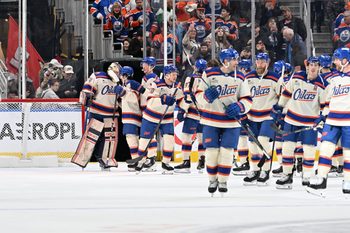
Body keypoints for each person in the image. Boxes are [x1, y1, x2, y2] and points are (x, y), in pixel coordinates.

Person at [195, 48, 252, 195]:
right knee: (211, 152)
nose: (237, 62)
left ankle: (223, 180)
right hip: (210, 120)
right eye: (234, 59)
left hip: (231, 122)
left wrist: (240, 106)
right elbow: (199, 97)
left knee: (227, 152)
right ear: (225, 61)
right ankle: (212, 179)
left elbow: (247, 99)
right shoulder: (209, 73)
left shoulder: (240, 77)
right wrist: (207, 96)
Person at [273, 57, 327, 189]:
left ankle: (307, 176)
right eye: (311, 64)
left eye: (316, 65)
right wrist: (279, 107)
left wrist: (322, 116)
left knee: (309, 149)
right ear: (307, 66)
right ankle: (287, 175)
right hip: (291, 119)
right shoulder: (296, 77)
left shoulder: (323, 84)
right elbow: (286, 93)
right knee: (287, 147)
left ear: (319, 67)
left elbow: (325, 105)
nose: (313, 67)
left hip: (309, 122)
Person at [307, 47, 350, 195]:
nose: (335, 62)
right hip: (332, 120)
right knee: (325, 149)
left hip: (348, 122)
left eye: (338, 59)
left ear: (346, 60)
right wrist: (323, 116)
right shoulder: (334, 79)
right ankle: (321, 178)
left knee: (348, 152)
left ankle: (348, 180)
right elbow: (328, 101)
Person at [133, 65, 184, 174]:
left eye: (176, 74)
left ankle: (165, 163)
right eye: (173, 74)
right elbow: (150, 101)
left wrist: (184, 108)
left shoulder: (178, 87)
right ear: (166, 75)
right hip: (151, 117)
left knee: (169, 140)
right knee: (144, 140)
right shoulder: (156, 84)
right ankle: (141, 161)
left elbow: (181, 101)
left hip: (167, 118)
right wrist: (163, 100)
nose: (175, 76)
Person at [71, 71, 122, 170]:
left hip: (110, 115)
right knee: (90, 138)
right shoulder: (98, 76)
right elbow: (86, 90)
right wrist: (85, 99)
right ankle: (82, 159)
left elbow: (120, 101)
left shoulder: (118, 82)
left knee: (108, 140)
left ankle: (105, 161)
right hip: (96, 112)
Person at [243, 52, 280, 186]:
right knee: (253, 145)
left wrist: (279, 110)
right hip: (251, 116)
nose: (260, 64)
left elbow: (282, 96)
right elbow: (243, 96)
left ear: (268, 62)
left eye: (263, 61)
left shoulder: (275, 78)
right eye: (258, 61)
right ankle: (255, 170)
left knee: (263, 141)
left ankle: (265, 170)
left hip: (268, 116)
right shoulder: (248, 78)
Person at [174, 59, 207, 173]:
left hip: (192, 113)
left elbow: (188, 96)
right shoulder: (208, 79)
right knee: (202, 138)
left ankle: (186, 162)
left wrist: (182, 109)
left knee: (186, 137)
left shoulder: (191, 78)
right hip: (204, 113)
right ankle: (202, 161)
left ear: (195, 67)